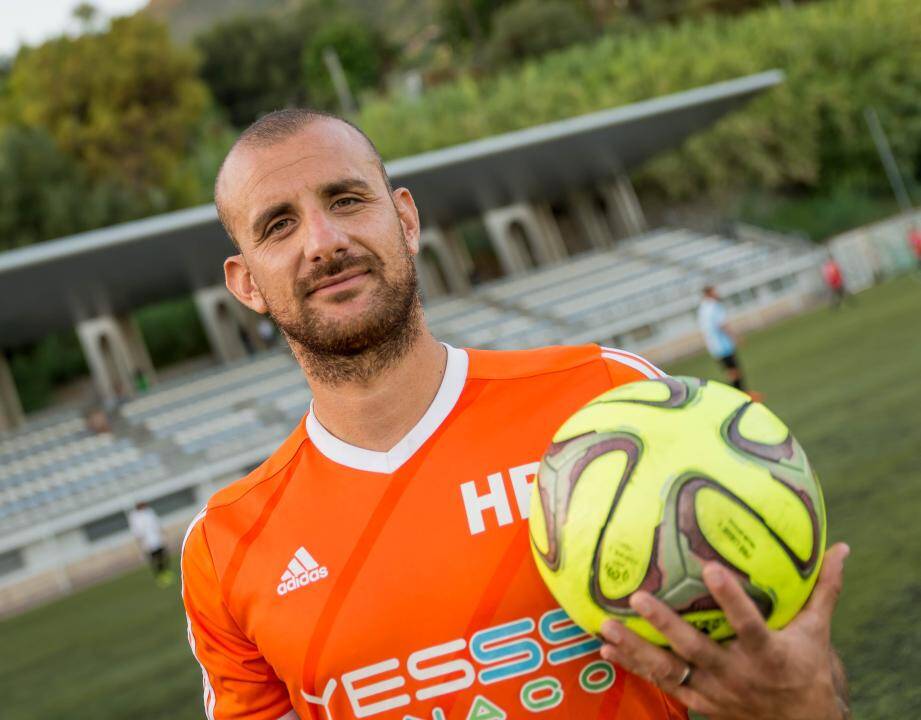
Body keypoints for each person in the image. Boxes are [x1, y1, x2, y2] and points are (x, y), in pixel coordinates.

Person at [181, 110, 850, 720]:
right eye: (279, 225)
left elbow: (790, 674)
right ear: (245, 282)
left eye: (346, 200)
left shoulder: (609, 400)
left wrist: (805, 705)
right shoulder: (225, 549)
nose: (322, 242)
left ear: (406, 220)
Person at [696, 286, 752, 393]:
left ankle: (739, 393)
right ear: (709, 293)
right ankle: (742, 393)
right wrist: (736, 337)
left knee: (730, 371)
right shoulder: (713, 306)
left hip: (714, 346)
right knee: (734, 370)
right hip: (723, 344)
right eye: (714, 291)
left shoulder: (703, 308)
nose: (717, 293)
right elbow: (722, 325)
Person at [128, 501, 174, 587]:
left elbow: (156, 523)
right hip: (147, 542)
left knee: (163, 556)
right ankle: (160, 575)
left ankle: (166, 572)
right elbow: (137, 532)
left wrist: (163, 533)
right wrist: (140, 544)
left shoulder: (149, 512)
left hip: (157, 538)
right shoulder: (135, 517)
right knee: (154, 559)